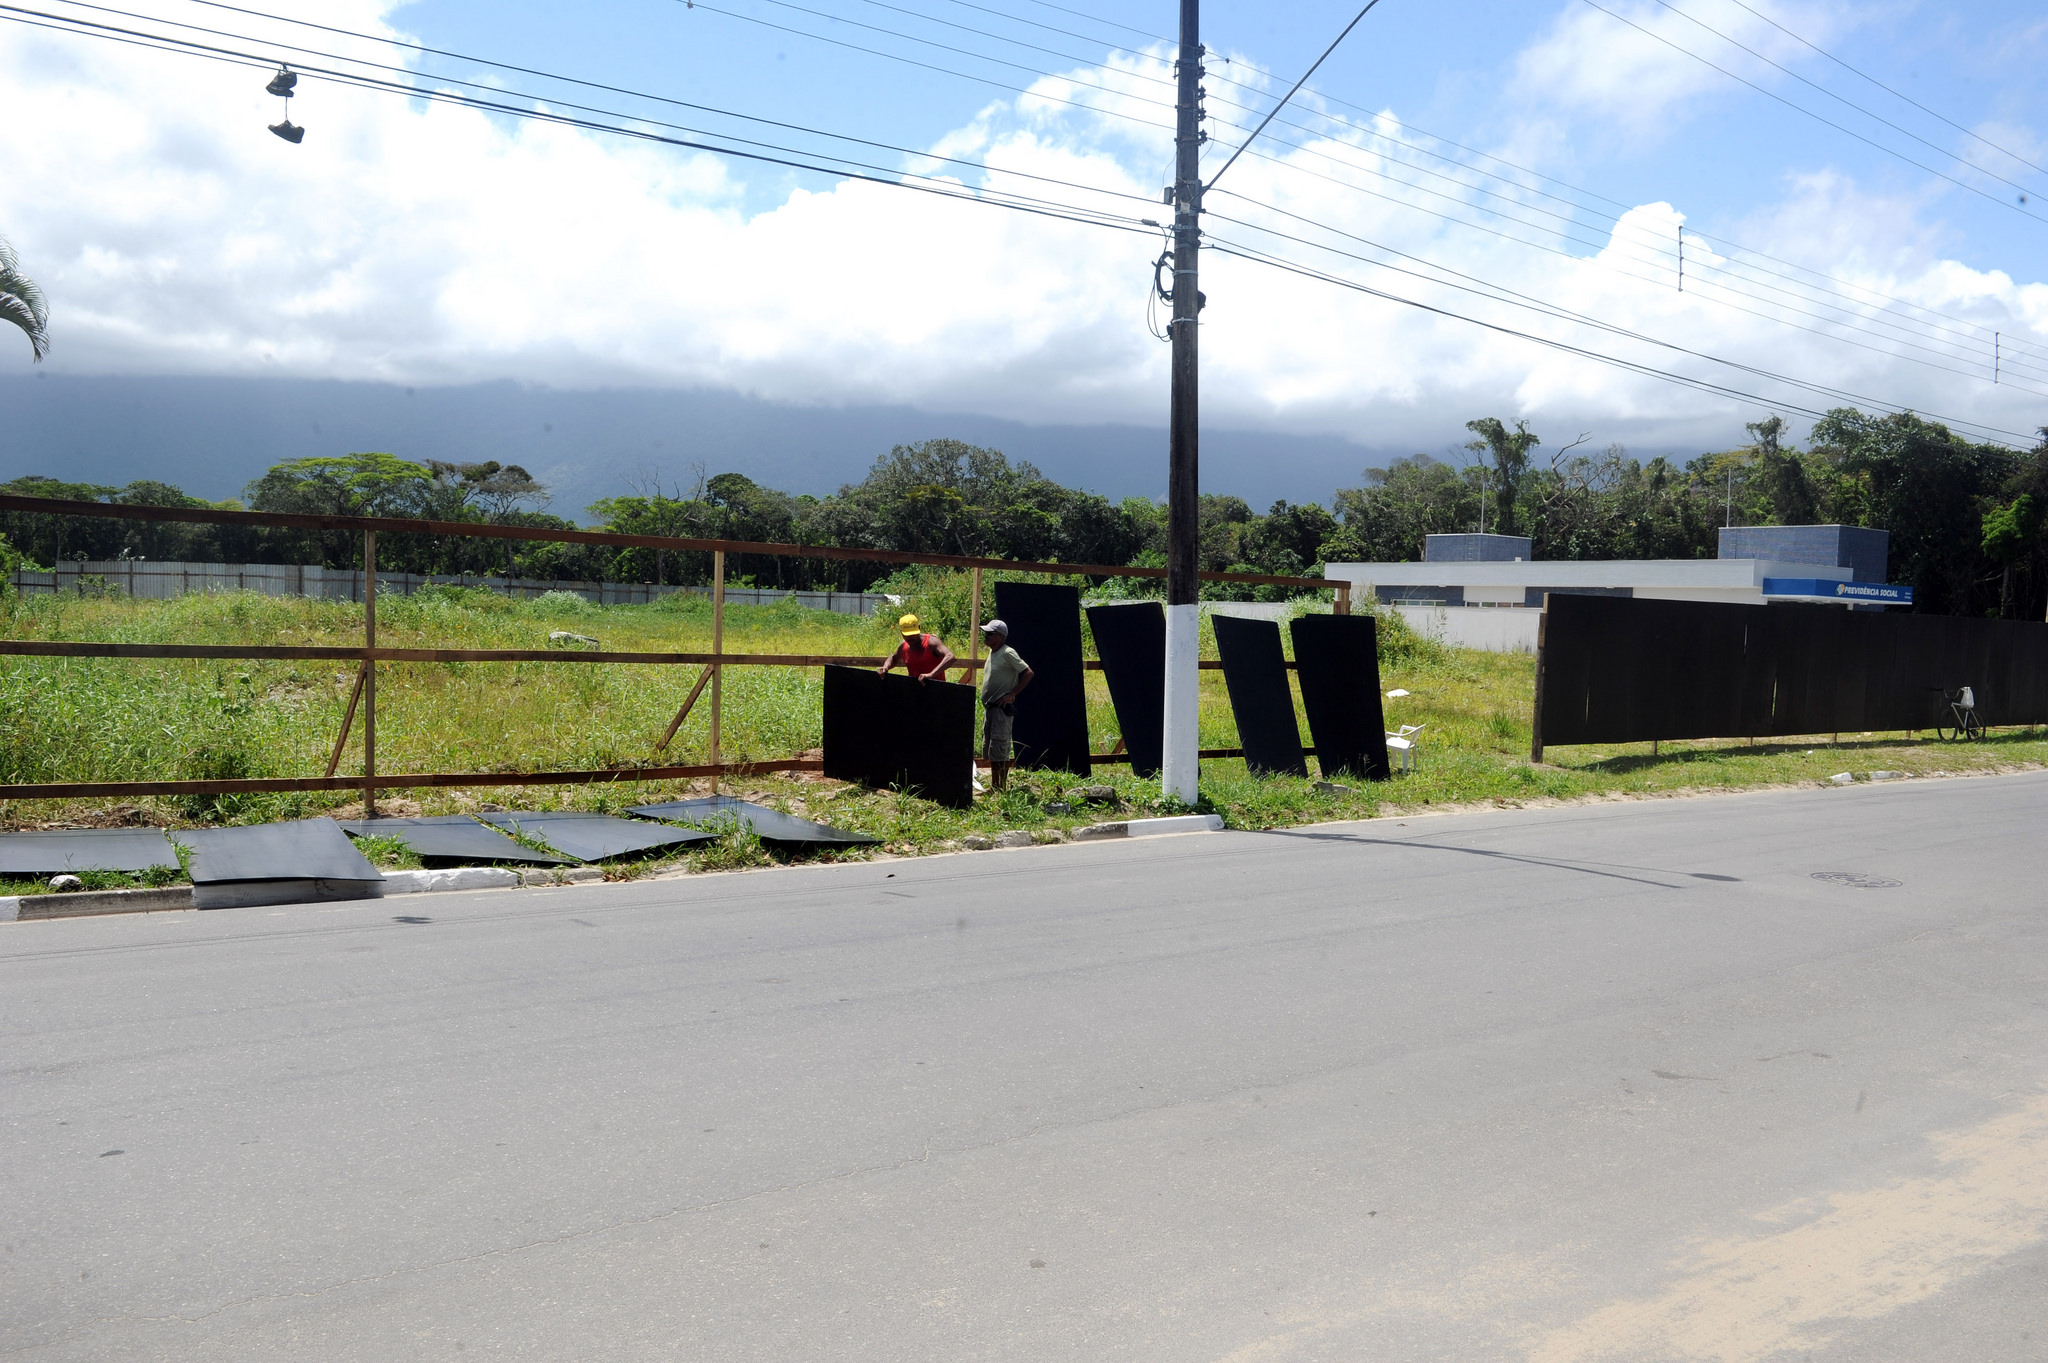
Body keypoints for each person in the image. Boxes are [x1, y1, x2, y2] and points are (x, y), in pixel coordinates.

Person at [977, 618, 1034, 792]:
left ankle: (1000, 787)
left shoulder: (1008, 652)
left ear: (1001, 636)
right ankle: (995, 785)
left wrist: (1012, 694)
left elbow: (1028, 672)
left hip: (1001, 709)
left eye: (990, 633)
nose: (986, 636)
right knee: (993, 749)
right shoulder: (993, 652)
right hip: (991, 708)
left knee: (1001, 748)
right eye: (985, 633)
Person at [877, 613, 956, 683]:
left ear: (919, 628)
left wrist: (931, 674)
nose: (910, 638)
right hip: (914, 691)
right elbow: (893, 658)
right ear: (901, 632)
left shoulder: (931, 642)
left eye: (913, 634)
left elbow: (950, 656)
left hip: (936, 690)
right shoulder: (903, 646)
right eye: (907, 635)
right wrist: (885, 667)